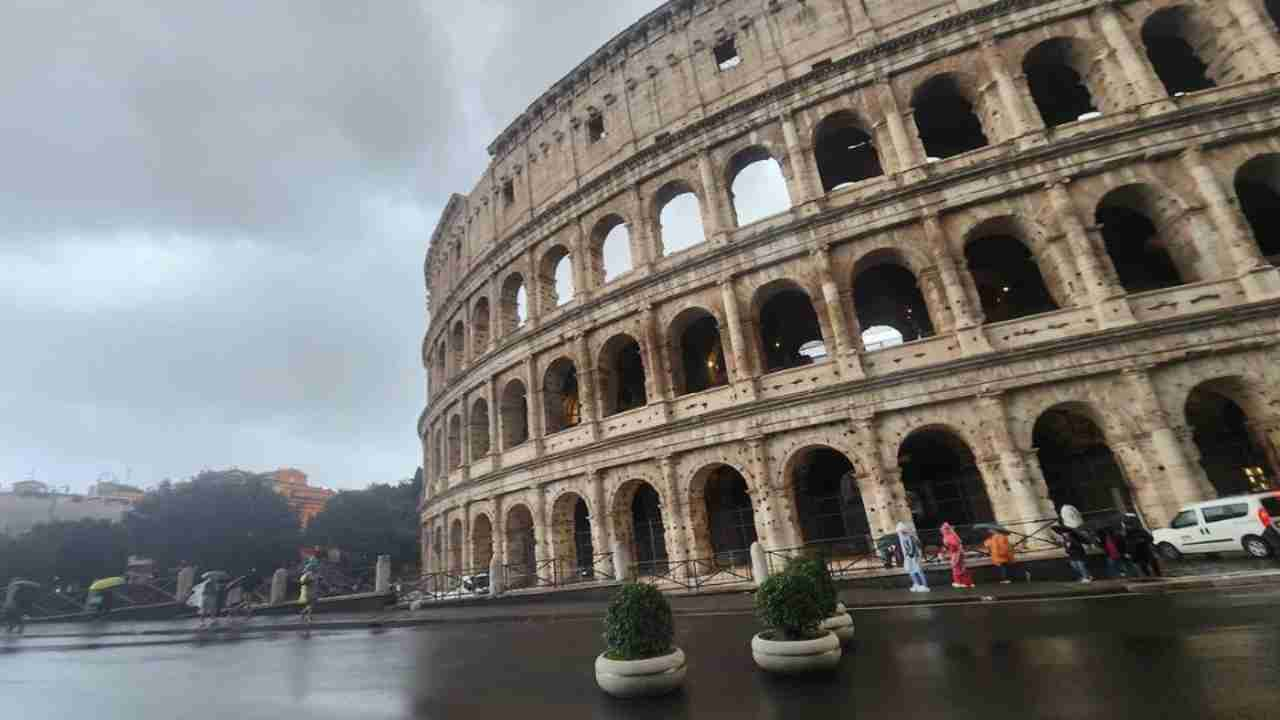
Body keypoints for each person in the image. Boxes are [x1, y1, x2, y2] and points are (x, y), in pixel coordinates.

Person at [898, 522, 930, 592]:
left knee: (918, 571)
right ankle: (917, 584)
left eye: (902, 531)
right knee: (912, 571)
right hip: (911, 557)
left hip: (913, 557)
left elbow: (912, 548)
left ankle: (924, 586)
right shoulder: (908, 537)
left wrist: (910, 555)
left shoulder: (910, 537)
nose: (901, 533)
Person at [941, 523, 975, 588]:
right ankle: (967, 583)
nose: (942, 531)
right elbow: (958, 543)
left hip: (956, 553)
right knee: (962, 568)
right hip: (959, 553)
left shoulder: (949, 536)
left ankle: (960, 582)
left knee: (956, 568)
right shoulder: (953, 535)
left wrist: (949, 548)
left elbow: (954, 545)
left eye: (943, 530)